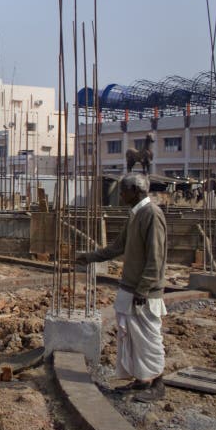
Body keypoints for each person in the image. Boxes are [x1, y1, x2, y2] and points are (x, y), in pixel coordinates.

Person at [76, 172, 167, 402]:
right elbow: (117, 247)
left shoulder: (152, 215)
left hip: (143, 291)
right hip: (131, 287)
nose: (121, 194)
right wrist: (89, 257)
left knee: (148, 338)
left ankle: (157, 384)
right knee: (134, 338)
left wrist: (143, 289)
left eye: (124, 190)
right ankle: (141, 380)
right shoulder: (135, 215)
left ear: (136, 191)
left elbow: (155, 258)